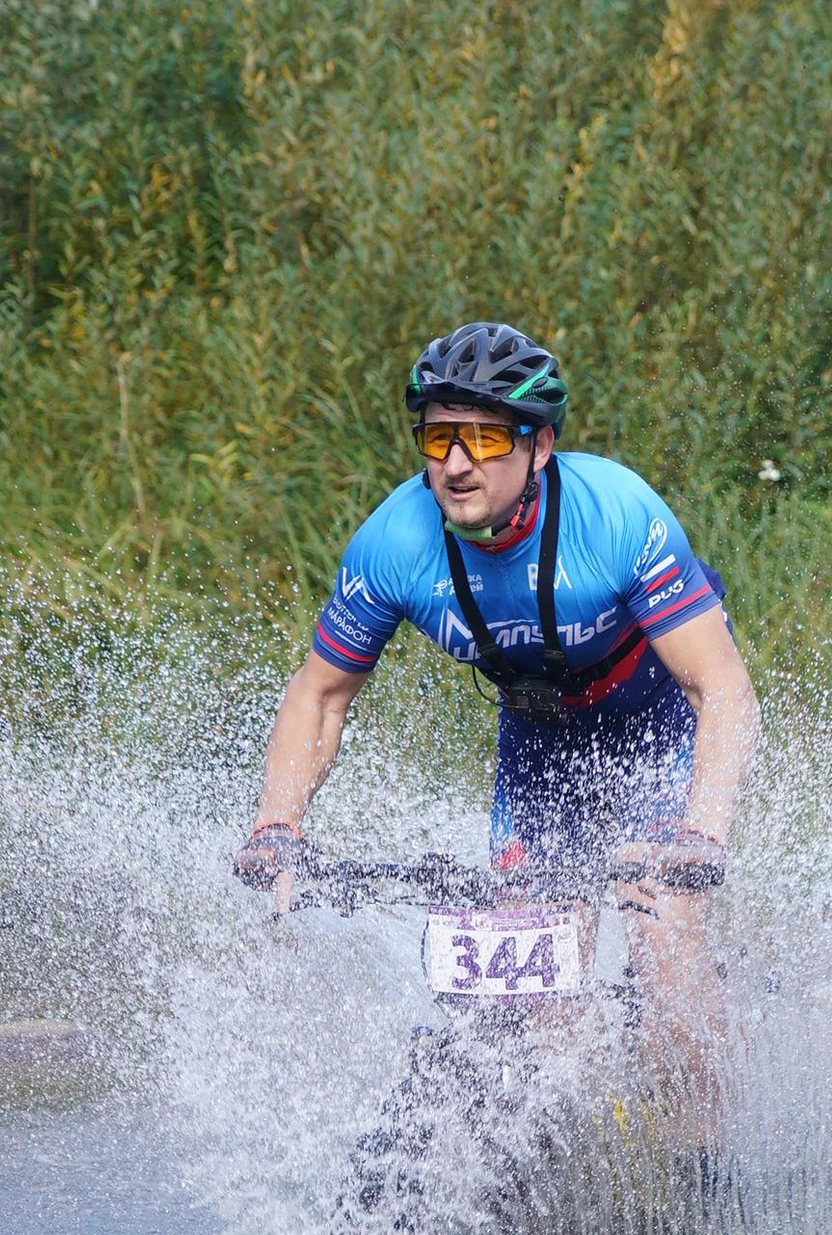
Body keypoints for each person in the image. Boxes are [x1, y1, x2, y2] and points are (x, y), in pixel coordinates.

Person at [234, 322, 759, 914]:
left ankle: (689, 996)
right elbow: (321, 696)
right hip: (540, 738)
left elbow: (720, 688)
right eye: (439, 440)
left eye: (483, 440)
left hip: (657, 717)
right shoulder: (393, 544)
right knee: (526, 954)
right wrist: (276, 827)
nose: (456, 465)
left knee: (663, 922)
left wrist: (702, 835)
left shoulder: (617, 514)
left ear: (538, 446)